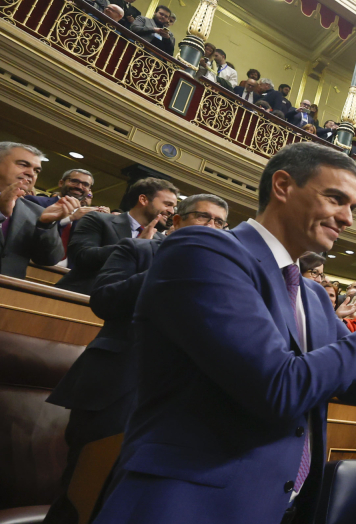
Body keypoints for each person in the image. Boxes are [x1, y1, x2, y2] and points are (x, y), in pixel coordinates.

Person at [92, 143, 356, 524]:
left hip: (281, 506)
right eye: (335, 199)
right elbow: (278, 386)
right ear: (283, 186)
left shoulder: (313, 296)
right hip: (188, 504)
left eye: (352, 207)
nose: (348, 219)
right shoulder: (203, 250)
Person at [43, 194, 229, 524]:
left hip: (176, 403)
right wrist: (173, 268)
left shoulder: (223, 274)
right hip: (115, 389)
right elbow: (104, 300)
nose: (211, 226)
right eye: (203, 217)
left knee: (136, 503)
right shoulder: (138, 250)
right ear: (178, 221)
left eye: (219, 222)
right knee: (82, 496)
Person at [57, 177, 178, 293]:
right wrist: (135, 245)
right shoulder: (98, 219)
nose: (171, 211)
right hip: (77, 296)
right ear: (143, 200)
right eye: (167, 204)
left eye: (173, 207)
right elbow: (81, 256)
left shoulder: (162, 241)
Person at [0, 143, 73, 278]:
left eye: (36, 171)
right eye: (23, 165)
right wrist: (1, 214)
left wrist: (46, 226)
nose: (31, 173)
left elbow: (49, 259)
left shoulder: (36, 212)